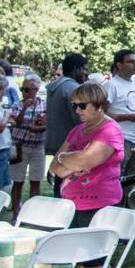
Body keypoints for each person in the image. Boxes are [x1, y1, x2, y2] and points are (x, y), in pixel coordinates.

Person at [49, 80, 125, 268]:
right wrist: (67, 161)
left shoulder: (109, 130)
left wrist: (68, 160)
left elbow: (86, 160)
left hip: (99, 203)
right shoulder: (77, 131)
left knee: (96, 262)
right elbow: (56, 168)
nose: (77, 110)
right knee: (78, 262)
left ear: (99, 105)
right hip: (72, 203)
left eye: (82, 105)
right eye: (74, 106)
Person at [44, 53, 88, 198]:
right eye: (84, 69)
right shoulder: (72, 88)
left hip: (56, 140)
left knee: (59, 181)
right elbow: (79, 118)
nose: (85, 73)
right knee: (67, 184)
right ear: (76, 69)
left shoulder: (56, 86)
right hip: (69, 143)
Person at [8, 73, 46, 215]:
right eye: (22, 89)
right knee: (17, 181)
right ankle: (16, 212)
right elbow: (16, 123)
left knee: (35, 181)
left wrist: (39, 128)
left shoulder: (44, 104)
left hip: (38, 147)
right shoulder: (17, 104)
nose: (24, 92)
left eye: (26, 89)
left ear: (36, 89)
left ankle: (32, 214)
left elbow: (47, 124)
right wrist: (24, 109)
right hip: (19, 146)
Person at [106, 49, 135, 183]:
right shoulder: (112, 85)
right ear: (119, 65)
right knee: (116, 180)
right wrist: (127, 117)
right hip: (119, 138)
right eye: (130, 61)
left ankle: (125, 205)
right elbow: (103, 113)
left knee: (130, 182)